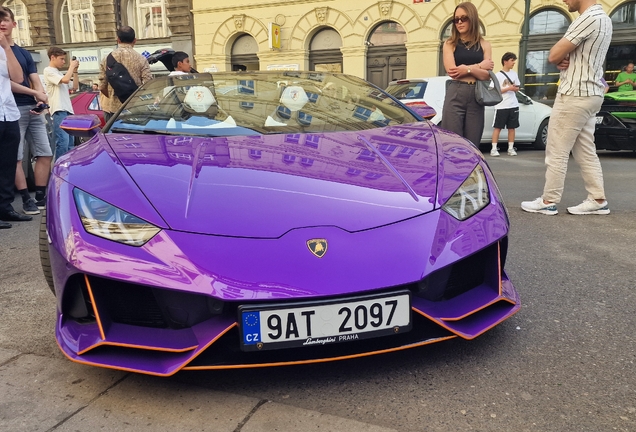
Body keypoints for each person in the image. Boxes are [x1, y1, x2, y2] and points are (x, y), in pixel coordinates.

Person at [521, 0, 612, 216]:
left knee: (557, 150)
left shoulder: (586, 18)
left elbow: (553, 54)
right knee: (585, 150)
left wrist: (559, 57)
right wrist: (564, 57)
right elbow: (580, 56)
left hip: (574, 93)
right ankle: (598, 198)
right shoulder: (605, 19)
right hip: (592, 93)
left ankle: (548, 200)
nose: (564, 0)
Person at [1, 6, 52, 215]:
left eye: (5, 19)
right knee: (16, 156)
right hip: (12, 109)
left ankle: (40, 195)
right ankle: (25, 199)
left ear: (14, 23)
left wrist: (41, 100)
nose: (2, 23)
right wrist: (35, 93)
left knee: (45, 152)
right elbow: (8, 82)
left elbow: (33, 78)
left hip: (32, 108)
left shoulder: (22, 52)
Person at [441, 2, 494, 148]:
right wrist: (478, 67)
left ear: (473, 19)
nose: (459, 22)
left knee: (473, 144)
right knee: (453, 142)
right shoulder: (450, 43)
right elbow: (453, 72)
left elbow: (486, 76)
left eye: (463, 18)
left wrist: (467, 69)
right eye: (456, 19)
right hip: (456, 93)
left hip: (477, 96)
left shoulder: (484, 44)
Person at [0, 8, 29, 228]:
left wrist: (6, 47)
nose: (1, 24)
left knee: (8, 163)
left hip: (8, 112)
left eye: (4, 19)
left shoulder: (6, 49)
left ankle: (5, 208)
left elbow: (18, 77)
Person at [98, 26, 152, 122]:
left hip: (114, 111)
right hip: (135, 108)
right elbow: (148, 84)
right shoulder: (141, 59)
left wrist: (113, 97)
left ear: (118, 40)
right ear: (135, 41)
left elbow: (102, 87)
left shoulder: (107, 58)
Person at [43, 47, 79, 159]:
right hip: (59, 109)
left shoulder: (59, 73)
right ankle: (59, 168)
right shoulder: (48, 70)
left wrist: (75, 71)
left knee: (70, 143)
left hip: (67, 109)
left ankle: (69, 166)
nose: (63, 62)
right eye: (61, 59)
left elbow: (74, 86)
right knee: (63, 141)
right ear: (52, 57)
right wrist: (71, 67)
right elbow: (65, 80)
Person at [490, 52, 521, 157]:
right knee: (497, 127)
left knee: (512, 128)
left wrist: (516, 89)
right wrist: (509, 88)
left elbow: (517, 87)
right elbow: (494, 91)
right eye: (512, 60)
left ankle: (511, 148)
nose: (514, 63)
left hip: (513, 104)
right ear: (505, 61)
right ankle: (494, 148)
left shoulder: (514, 74)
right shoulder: (497, 76)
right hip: (501, 105)